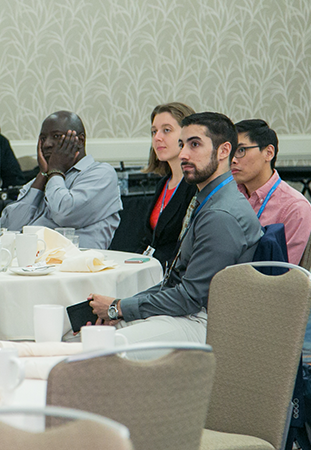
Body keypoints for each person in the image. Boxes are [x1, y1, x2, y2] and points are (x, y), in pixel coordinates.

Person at [89, 112, 262, 346]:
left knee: (104, 345)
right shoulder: (207, 200)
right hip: (188, 313)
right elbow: (173, 281)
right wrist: (119, 306)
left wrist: (119, 307)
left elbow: (190, 297)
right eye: (182, 144)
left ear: (223, 151)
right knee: (86, 334)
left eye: (195, 144)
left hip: (208, 324)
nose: (183, 154)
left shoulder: (220, 215)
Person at [0, 111, 121, 249]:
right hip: (33, 265)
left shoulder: (101, 174)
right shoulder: (42, 179)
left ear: (80, 141)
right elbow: (9, 228)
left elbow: (65, 214)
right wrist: (42, 175)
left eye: (56, 136)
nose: (47, 144)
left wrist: (55, 170)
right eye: (43, 138)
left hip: (78, 266)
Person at [232, 119, 311, 265]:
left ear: (268, 153)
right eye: (230, 152)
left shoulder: (295, 208)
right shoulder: (229, 196)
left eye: (241, 150)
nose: (233, 160)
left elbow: (283, 275)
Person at [137, 102, 198, 268]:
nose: (157, 137)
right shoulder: (163, 183)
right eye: (154, 131)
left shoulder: (195, 187)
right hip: (152, 270)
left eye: (166, 130)